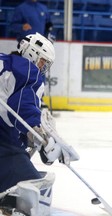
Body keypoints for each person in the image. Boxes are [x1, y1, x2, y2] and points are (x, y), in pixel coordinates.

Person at [0, 33, 78, 216]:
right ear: (31, 53)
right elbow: (22, 105)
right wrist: (41, 134)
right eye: (42, 62)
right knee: (33, 191)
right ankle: (12, 198)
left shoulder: (5, 61)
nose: (42, 68)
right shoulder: (26, 69)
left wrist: (29, 139)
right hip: (3, 142)